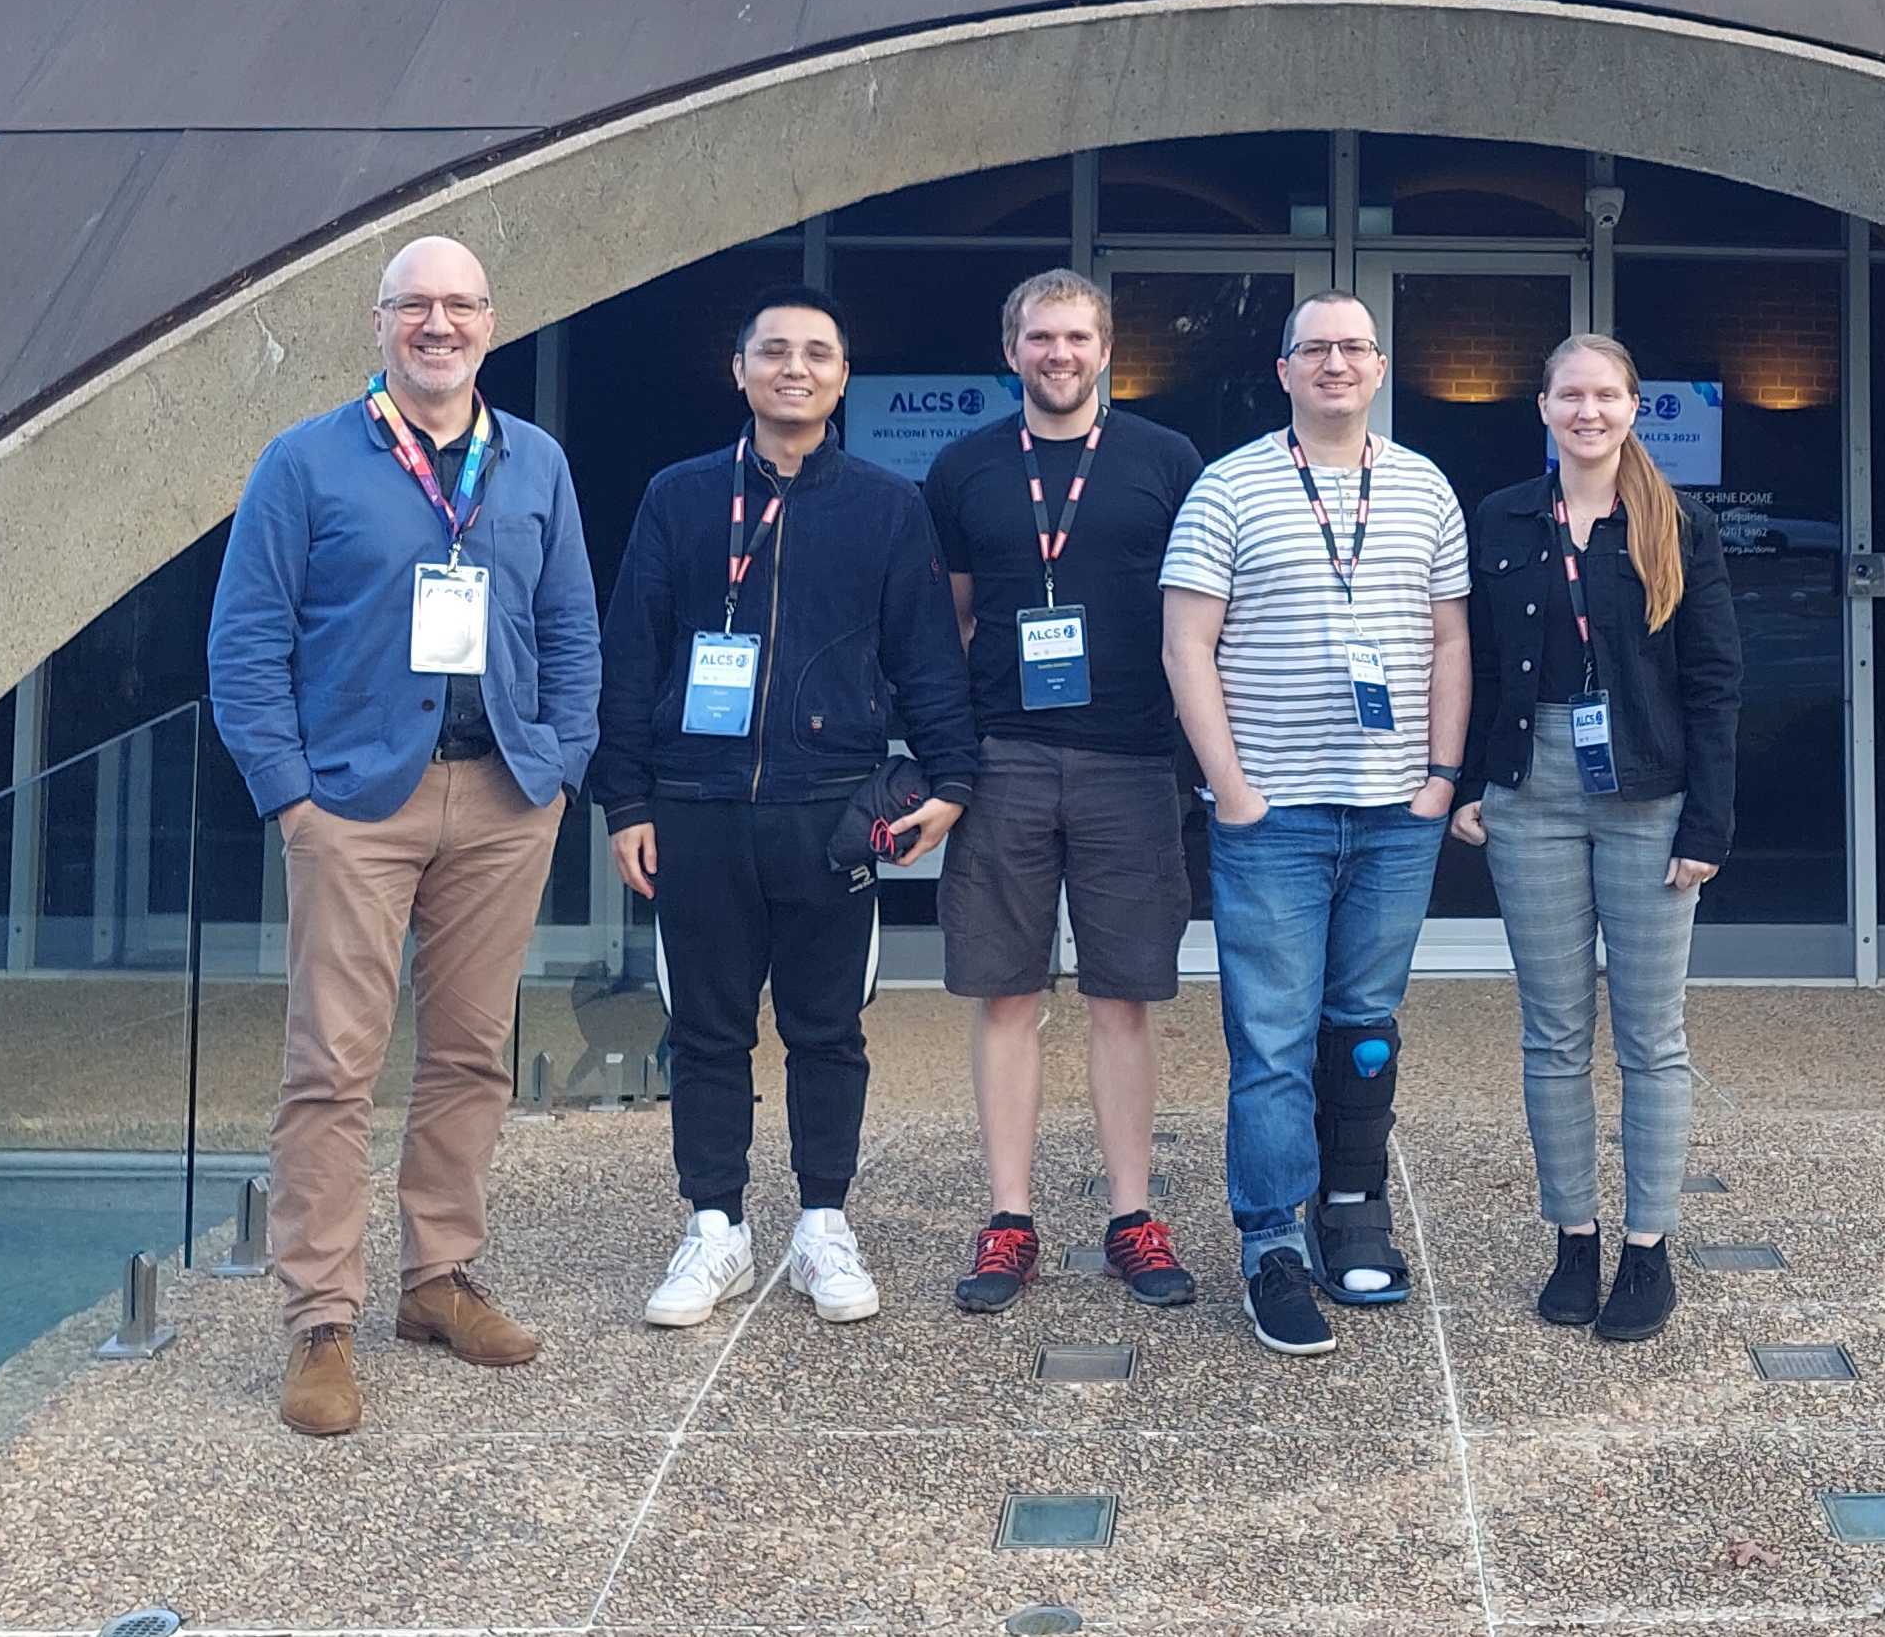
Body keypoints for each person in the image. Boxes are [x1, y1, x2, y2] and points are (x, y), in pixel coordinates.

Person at [204, 235, 602, 1438]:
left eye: (463, 305)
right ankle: (321, 1319)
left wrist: (559, 767)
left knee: (474, 1053)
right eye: (417, 305)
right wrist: (291, 796)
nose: (441, 324)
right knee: (333, 1064)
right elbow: (245, 645)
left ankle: (437, 1279)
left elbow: (573, 629)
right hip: (354, 807)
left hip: (500, 796)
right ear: (378, 322)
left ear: (492, 322)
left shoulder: (531, 462)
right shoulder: (306, 462)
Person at [588, 285, 976, 1329]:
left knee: (827, 1029)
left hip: (829, 810)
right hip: (697, 807)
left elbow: (927, 658)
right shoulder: (676, 497)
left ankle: (821, 1225)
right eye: (773, 351)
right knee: (706, 1032)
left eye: (815, 353)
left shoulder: (887, 508)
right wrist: (625, 797)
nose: (793, 368)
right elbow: (632, 654)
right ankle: (713, 1228)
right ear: (741, 371)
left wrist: (950, 780)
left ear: (842, 376)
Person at [1160, 291, 1471, 1357]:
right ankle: (1270, 1244)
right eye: (1315, 349)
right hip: (1274, 817)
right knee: (1272, 1042)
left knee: (1365, 1031)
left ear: (1379, 368)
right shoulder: (1227, 487)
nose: (1335, 363)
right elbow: (1184, 648)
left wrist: (1437, 777)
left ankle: (1352, 1212)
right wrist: (1233, 791)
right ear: (1284, 370)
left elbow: (1445, 644)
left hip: (1395, 813)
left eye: (1354, 347)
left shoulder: (1426, 487)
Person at [927, 270, 1209, 1315]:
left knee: (1121, 997)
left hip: (1133, 761)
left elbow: (1197, 618)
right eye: (1040, 336)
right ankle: (1009, 1219)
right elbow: (950, 624)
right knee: (1004, 992)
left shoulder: (1164, 461)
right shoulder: (962, 469)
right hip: (1002, 756)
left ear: (1105, 351)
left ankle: (1132, 1217)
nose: (1059, 354)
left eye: (1077, 337)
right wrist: (947, 759)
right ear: (1012, 350)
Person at [1452, 332, 1741, 1345]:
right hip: (1530, 788)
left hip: (1648, 798)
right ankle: (1573, 1239)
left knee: (1651, 1038)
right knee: (1553, 1032)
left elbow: (1713, 684)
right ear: (1541, 407)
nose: (1587, 412)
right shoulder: (1501, 518)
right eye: (1569, 395)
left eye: (1606, 396)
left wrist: (1708, 821)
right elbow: (1480, 661)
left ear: (1632, 408)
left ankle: (1648, 1249)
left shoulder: (1677, 524)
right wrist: (1472, 779)